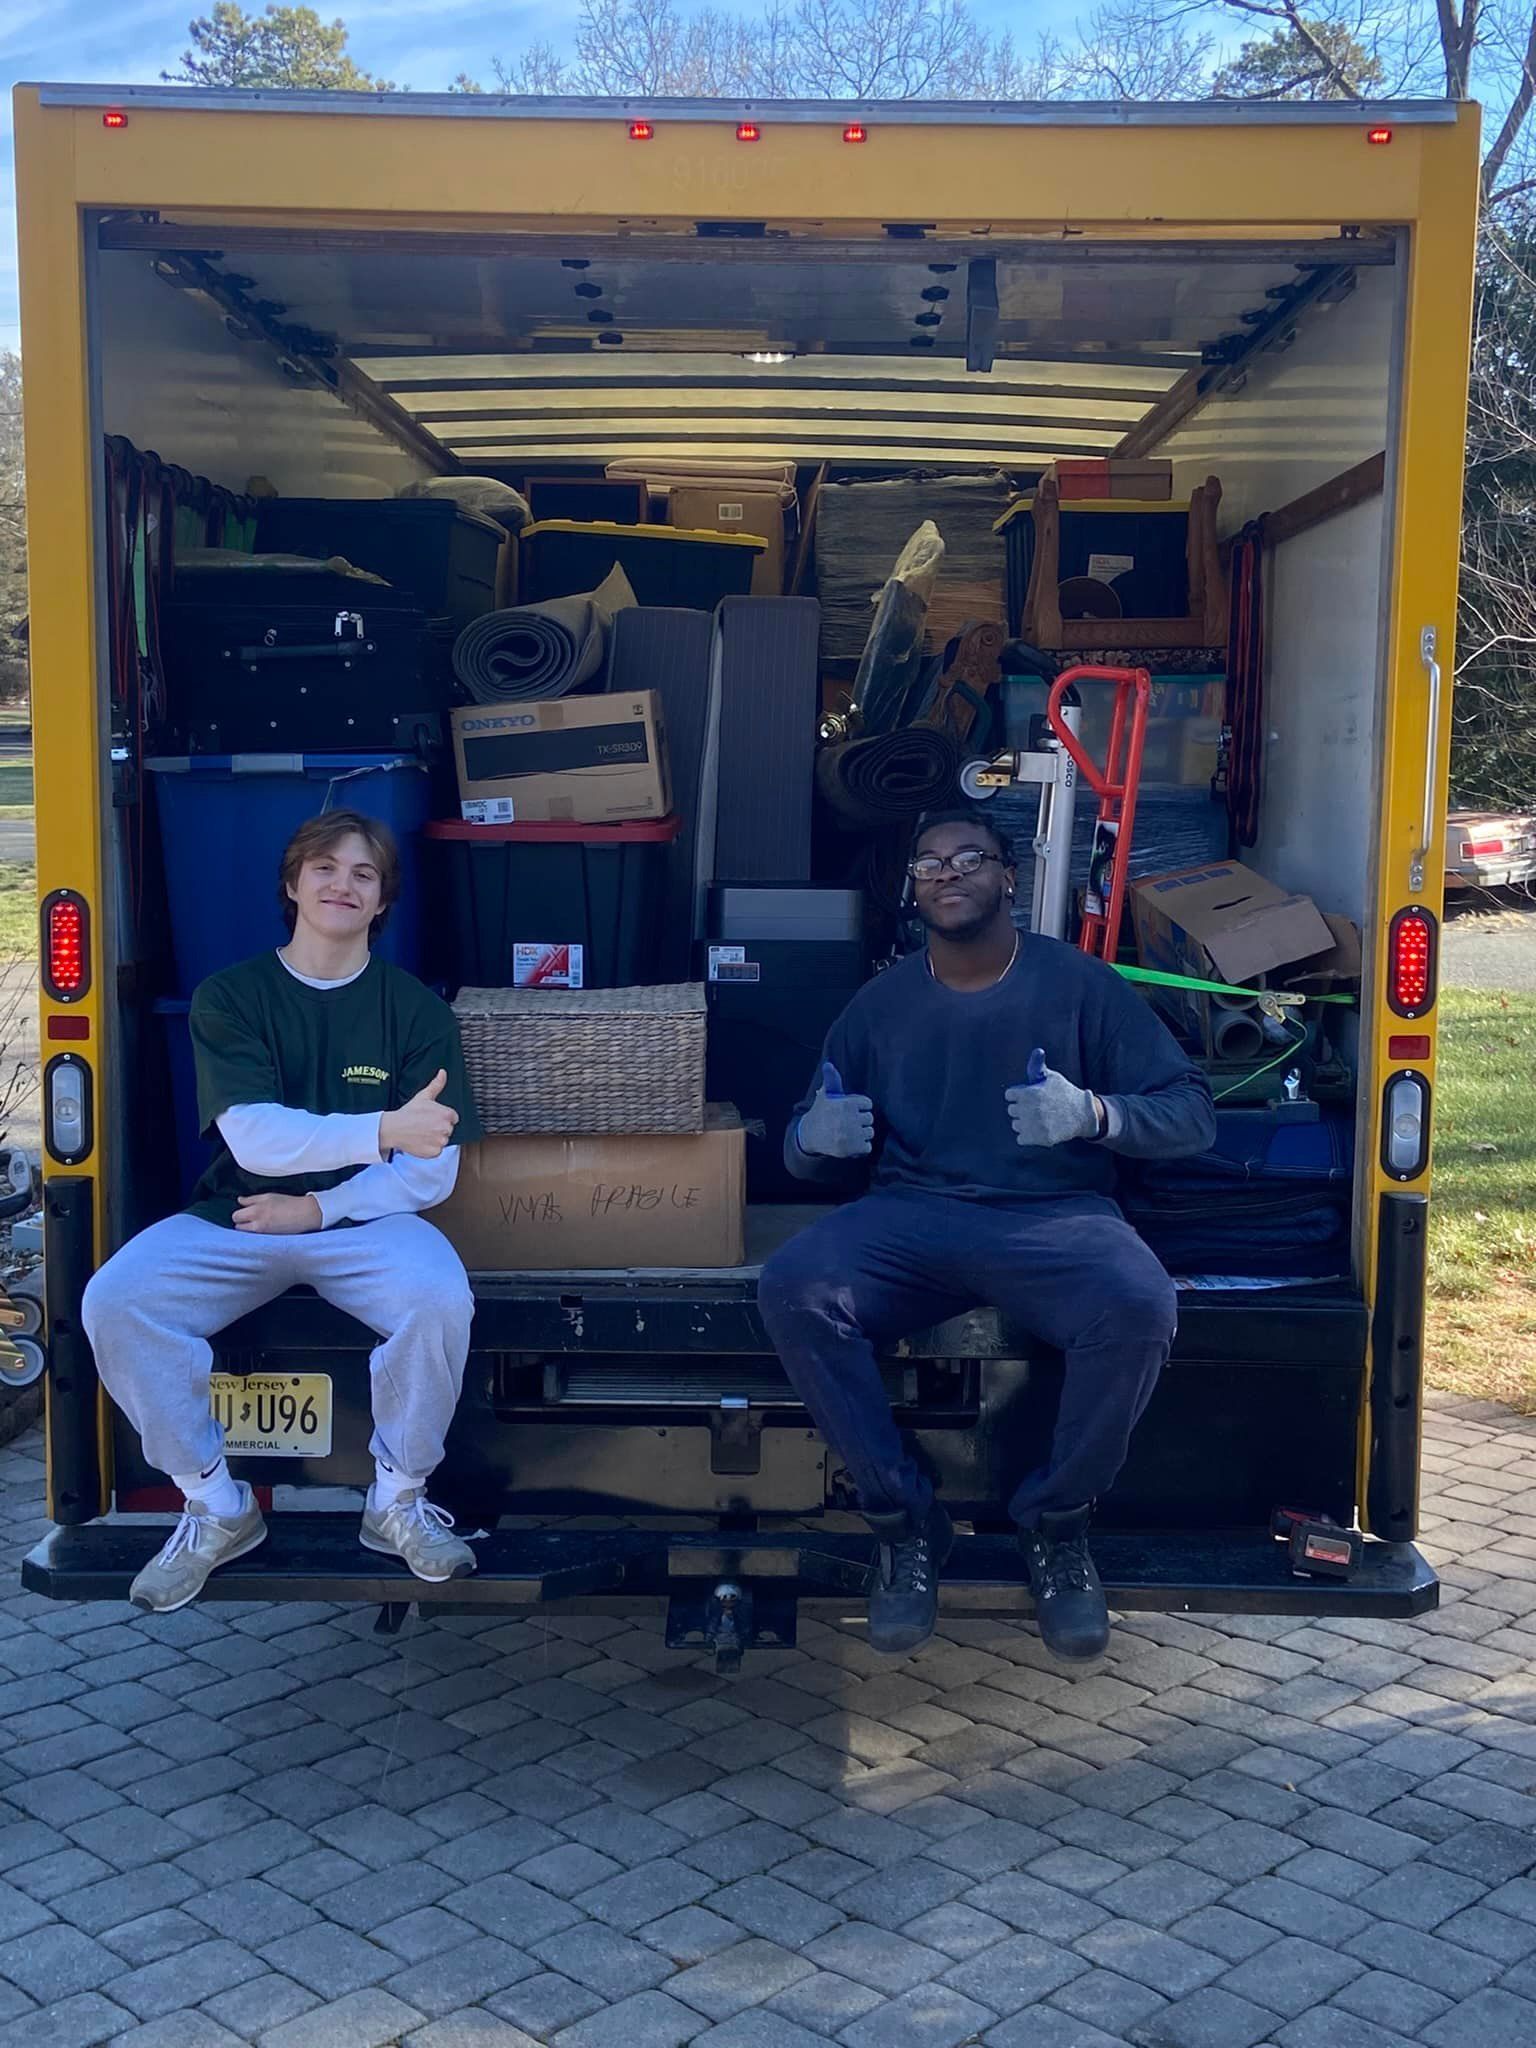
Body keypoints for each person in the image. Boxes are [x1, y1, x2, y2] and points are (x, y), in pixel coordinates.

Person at [758, 809, 1216, 1660]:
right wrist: (810, 1140)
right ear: (913, 889)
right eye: (929, 862)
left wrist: (1094, 1114)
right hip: (911, 1216)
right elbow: (805, 1146)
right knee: (795, 1286)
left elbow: (1191, 1114)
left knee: (1137, 1304)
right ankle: (905, 1525)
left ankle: (1057, 1524)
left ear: (1009, 877)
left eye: (970, 857)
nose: (948, 871)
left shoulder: (1079, 985)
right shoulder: (880, 1004)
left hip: (1054, 1216)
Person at [84, 809, 484, 1614]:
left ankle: (397, 1501)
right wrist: (383, 1129)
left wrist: (323, 1208)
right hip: (240, 1216)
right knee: (117, 1300)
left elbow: (431, 1173)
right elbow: (257, 1139)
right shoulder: (231, 996)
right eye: (325, 868)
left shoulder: (416, 1011)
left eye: (364, 874)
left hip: (366, 1224)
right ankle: (215, 1506)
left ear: (383, 901)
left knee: (440, 1299)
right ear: (292, 884)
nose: (343, 885)